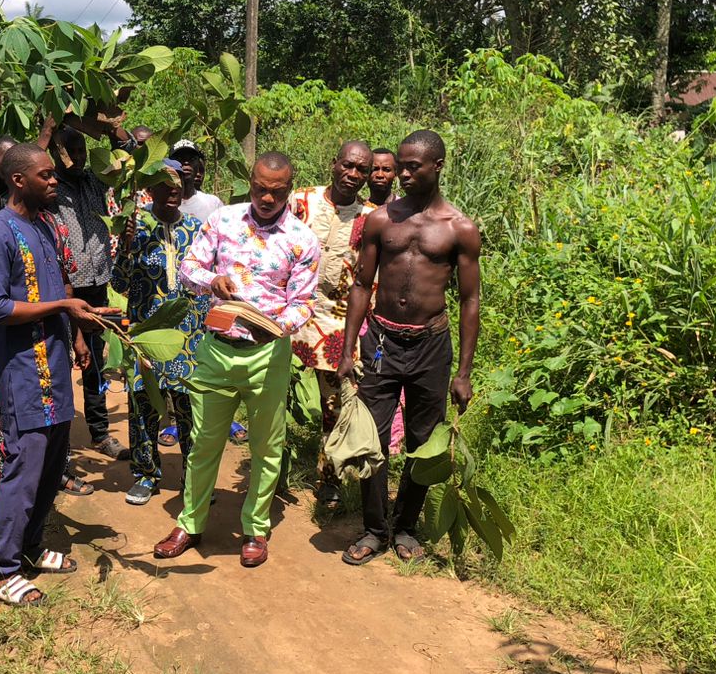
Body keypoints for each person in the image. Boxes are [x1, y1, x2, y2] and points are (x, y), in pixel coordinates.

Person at [153, 153, 320, 569]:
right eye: (260, 187)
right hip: (216, 349)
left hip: (267, 354)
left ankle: (255, 528)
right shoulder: (222, 221)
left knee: (266, 446)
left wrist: (279, 327)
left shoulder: (302, 239)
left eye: (277, 191)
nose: (266, 197)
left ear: (289, 189)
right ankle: (189, 524)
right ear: (250, 180)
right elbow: (189, 268)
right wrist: (213, 280)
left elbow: (303, 304)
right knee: (204, 442)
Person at [0, 143, 115, 605]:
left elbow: (56, 289)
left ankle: (30, 547)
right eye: (47, 175)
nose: (55, 182)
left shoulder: (44, 228)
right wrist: (62, 307)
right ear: (18, 180)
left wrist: (75, 331)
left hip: (54, 370)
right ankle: (1, 570)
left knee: (52, 468)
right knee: (24, 471)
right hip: (23, 376)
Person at [336, 130, 480, 565]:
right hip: (381, 340)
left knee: (422, 439)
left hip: (430, 347)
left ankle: (406, 526)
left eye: (413, 167)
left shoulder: (460, 228)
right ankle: (375, 529)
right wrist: (348, 350)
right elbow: (362, 284)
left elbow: (469, 299)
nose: (401, 173)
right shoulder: (382, 220)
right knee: (372, 437)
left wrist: (464, 372)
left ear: (438, 166)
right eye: (400, 164)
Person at [111, 164, 209, 505]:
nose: (174, 192)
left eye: (178, 185)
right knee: (143, 406)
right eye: (165, 187)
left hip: (189, 337)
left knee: (190, 410)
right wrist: (125, 246)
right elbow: (119, 284)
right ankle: (146, 474)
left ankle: (194, 479)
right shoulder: (136, 229)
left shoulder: (197, 229)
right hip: (146, 335)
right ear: (149, 190)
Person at [287, 140, 375, 509]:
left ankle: (329, 478)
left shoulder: (372, 217)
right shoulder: (299, 201)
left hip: (338, 320)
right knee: (274, 395)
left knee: (334, 404)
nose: (353, 174)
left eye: (362, 170)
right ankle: (273, 471)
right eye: (348, 166)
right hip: (291, 311)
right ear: (333, 163)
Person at [46, 124, 127, 461]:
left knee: (93, 359)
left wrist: (112, 127)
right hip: (63, 286)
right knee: (60, 360)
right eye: (70, 151)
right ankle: (58, 444)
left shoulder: (95, 180)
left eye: (81, 151)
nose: (77, 158)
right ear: (56, 152)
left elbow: (130, 161)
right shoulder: (50, 188)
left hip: (95, 282)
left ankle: (100, 432)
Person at [171, 140, 223, 222]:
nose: (186, 162)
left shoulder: (213, 204)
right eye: (180, 158)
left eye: (192, 159)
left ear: (198, 165)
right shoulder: (159, 203)